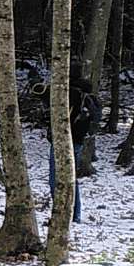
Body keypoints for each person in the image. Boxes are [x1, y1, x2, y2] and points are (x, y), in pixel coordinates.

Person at [45, 67, 99, 222]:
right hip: (78, 141)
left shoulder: (68, 93)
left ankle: (64, 215)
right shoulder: (85, 94)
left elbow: (46, 100)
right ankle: (74, 215)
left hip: (63, 140)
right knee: (70, 179)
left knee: (56, 180)